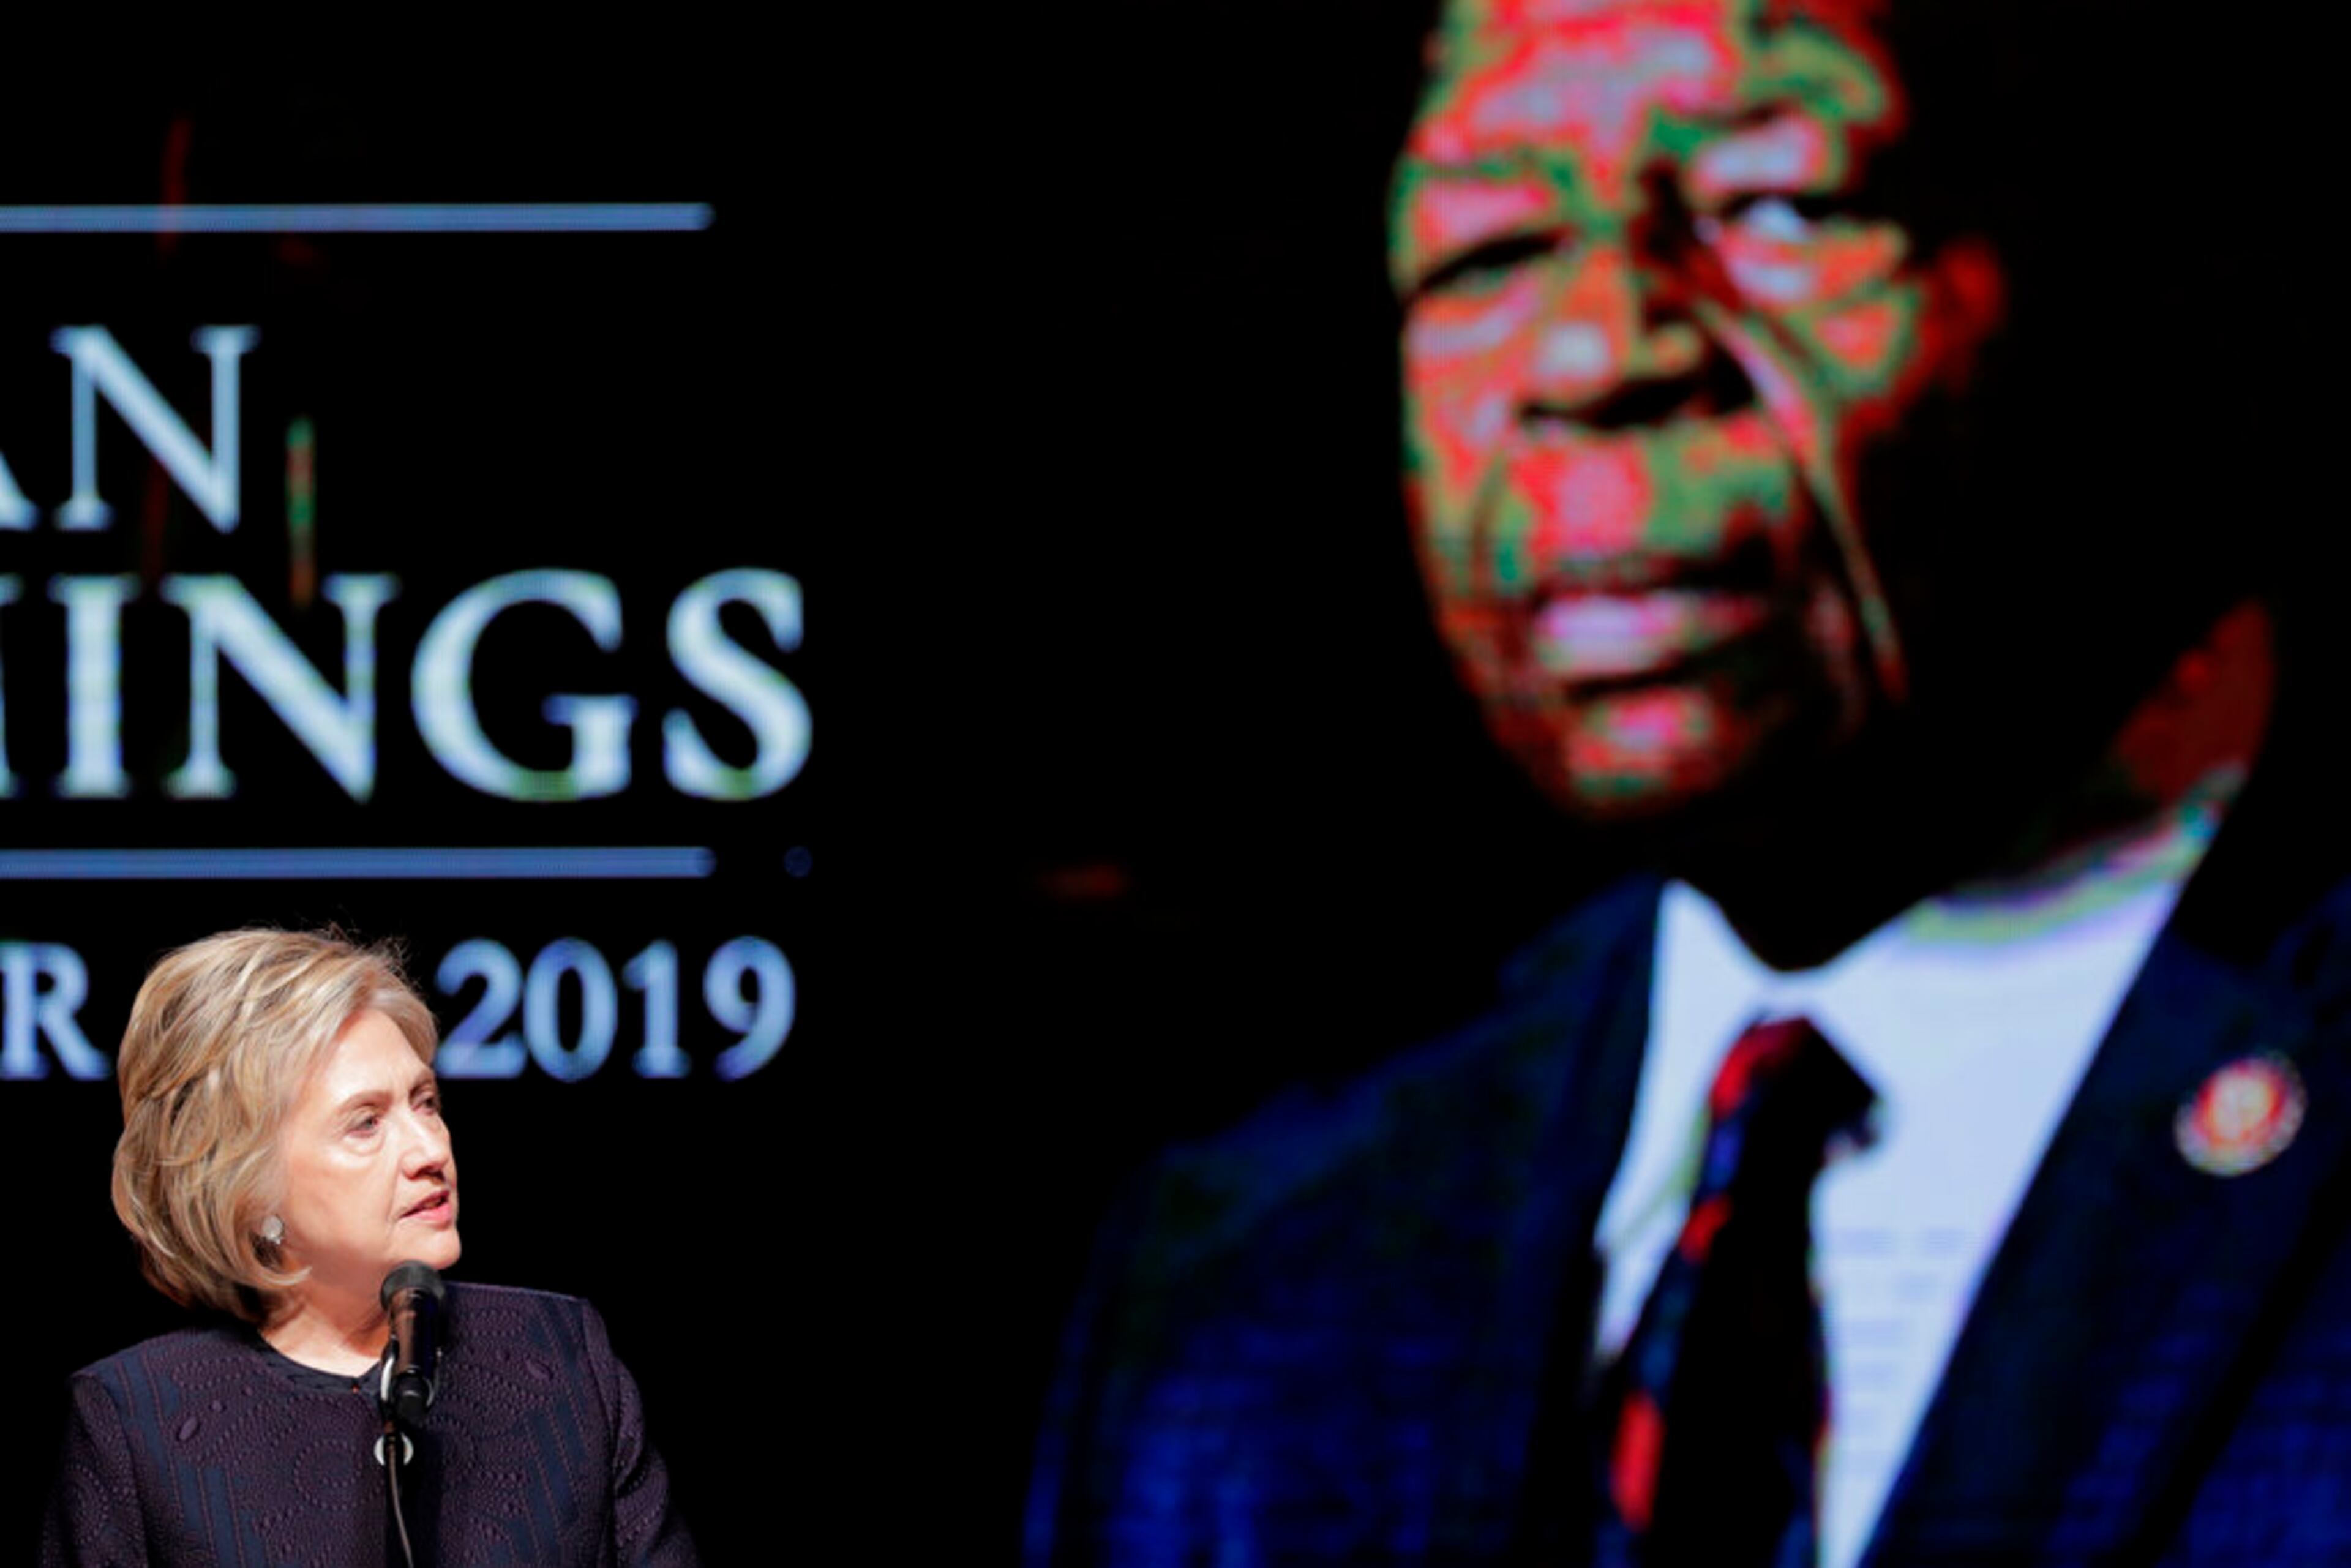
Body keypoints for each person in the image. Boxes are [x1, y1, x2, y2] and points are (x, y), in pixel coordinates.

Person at [1027, 1, 2351, 1564]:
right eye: (1487, 250)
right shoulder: (1248, 1286)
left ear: (2138, 262)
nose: (1595, 351)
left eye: (1777, 203)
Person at [40, 929, 697, 1566]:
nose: (431, 1150)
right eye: (366, 1122)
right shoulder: (136, 1416)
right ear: (247, 1185)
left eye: (426, 1101)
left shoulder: (559, 1353)